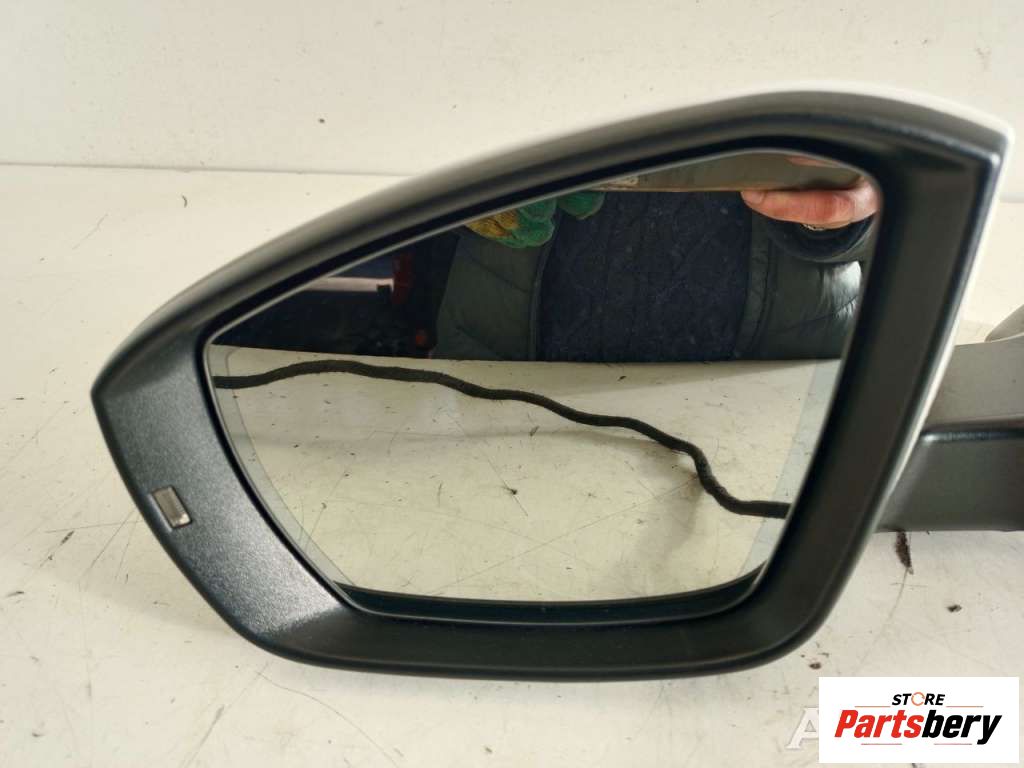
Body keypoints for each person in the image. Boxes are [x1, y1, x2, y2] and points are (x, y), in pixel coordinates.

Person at [432, 171, 878, 363]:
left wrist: (865, 204)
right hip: (506, 362)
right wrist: (457, 182)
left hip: (779, 387)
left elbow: (912, 222)